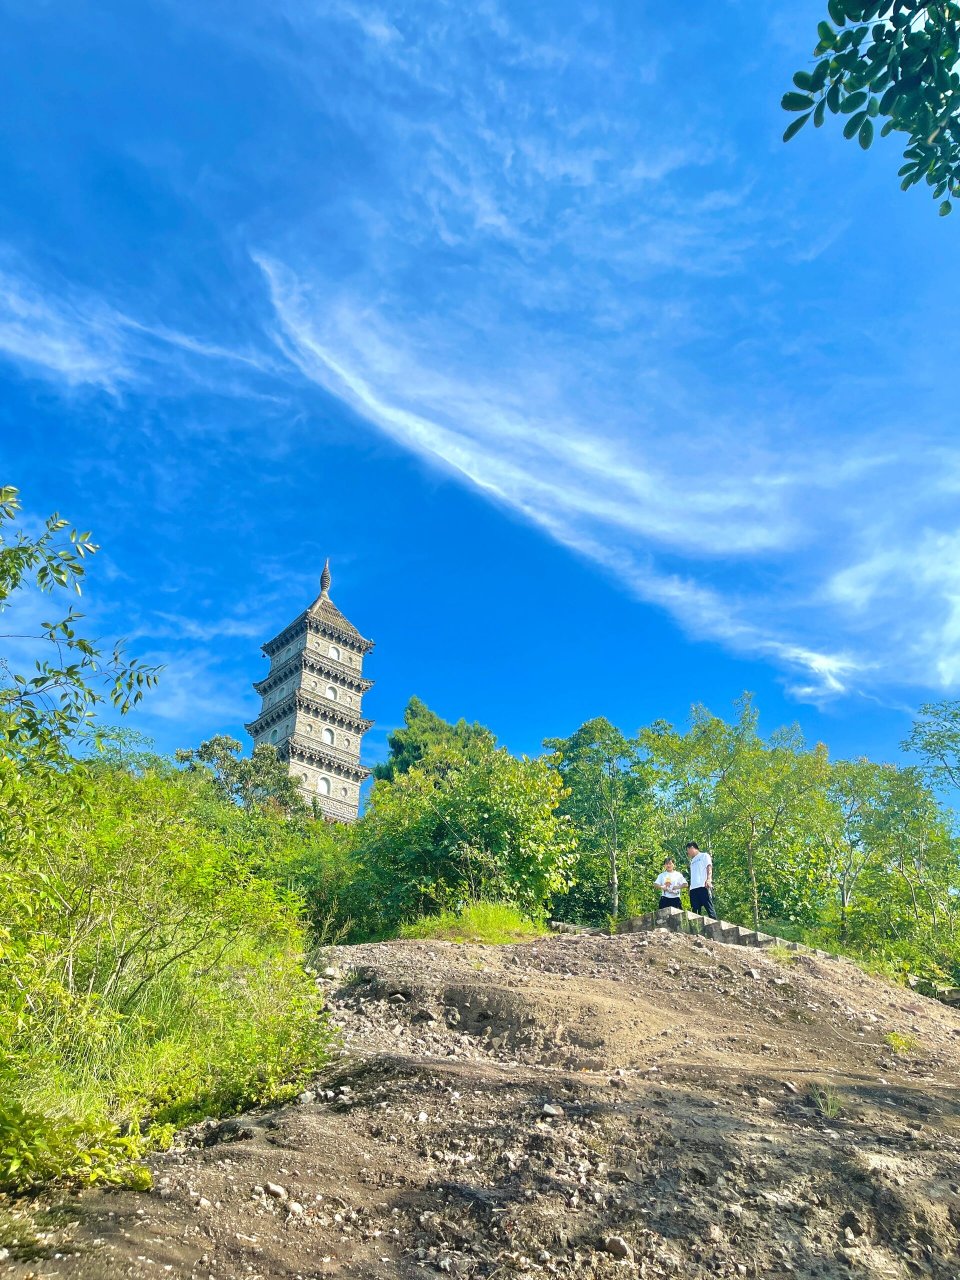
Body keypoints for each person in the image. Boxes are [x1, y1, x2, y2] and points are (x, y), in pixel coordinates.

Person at [686, 841, 717, 919]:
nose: (687, 853)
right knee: (695, 911)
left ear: (692, 848)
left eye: (688, 850)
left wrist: (709, 879)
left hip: (703, 886)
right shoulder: (692, 861)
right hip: (693, 889)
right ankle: (696, 929)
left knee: (709, 907)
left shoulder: (704, 856)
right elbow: (693, 875)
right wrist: (690, 888)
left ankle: (715, 926)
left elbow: (709, 867)